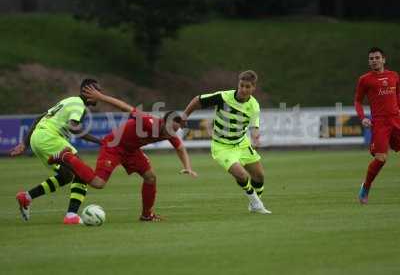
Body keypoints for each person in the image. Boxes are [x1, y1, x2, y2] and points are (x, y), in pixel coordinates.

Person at [48, 88, 197, 221]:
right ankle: (66, 156)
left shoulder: (170, 132)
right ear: (164, 121)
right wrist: (101, 97)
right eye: (171, 128)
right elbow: (125, 107)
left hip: (132, 151)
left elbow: (180, 148)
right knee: (98, 183)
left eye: (175, 130)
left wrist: (187, 167)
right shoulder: (148, 121)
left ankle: (146, 215)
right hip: (114, 146)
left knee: (150, 177)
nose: (172, 132)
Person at [10, 79, 102, 224]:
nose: (100, 94)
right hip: (49, 137)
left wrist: (25, 143)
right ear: (86, 91)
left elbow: (39, 118)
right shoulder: (78, 105)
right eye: (97, 91)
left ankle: (26, 197)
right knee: (82, 171)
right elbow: (73, 127)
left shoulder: (69, 100)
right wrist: (99, 141)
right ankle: (71, 216)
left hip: (38, 138)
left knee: (66, 176)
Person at [181, 70, 271, 214]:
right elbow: (197, 100)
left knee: (259, 176)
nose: (243, 89)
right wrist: (184, 116)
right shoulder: (223, 97)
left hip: (242, 144)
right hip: (222, 147)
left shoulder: (254, 105)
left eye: (247, 87)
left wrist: (255, 138)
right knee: (242, 175)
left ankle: (255, 203)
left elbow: (254, 126)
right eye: (241, 85)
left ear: (253, 88)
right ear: (238, 84)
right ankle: (256, 203)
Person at [354, 47, 400, 204]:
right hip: (380, 123)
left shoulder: (394, 76)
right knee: (381, 159)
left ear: (383, 59)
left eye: (377, 57)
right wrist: (362, 117)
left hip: (396, 120)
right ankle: (366, 186)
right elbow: (358, 101)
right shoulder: (365, 80)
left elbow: (398, 95)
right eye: (371, 58)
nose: (374, 60)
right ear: (369, 62)